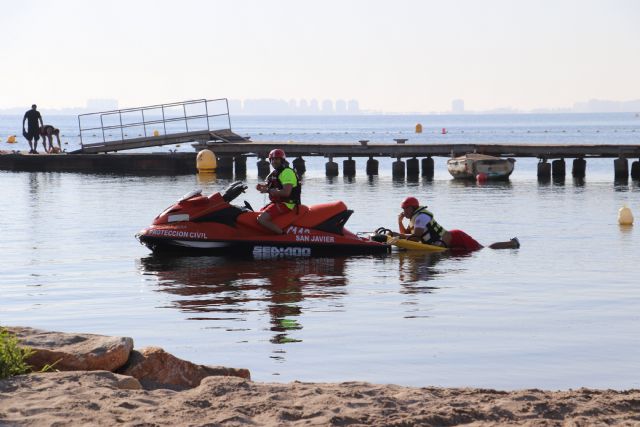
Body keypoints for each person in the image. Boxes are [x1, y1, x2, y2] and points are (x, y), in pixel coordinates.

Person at [394, 196, 519, 251]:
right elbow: (406, 235)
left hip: (457, 237)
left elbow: (415, 238)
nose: (404, 211)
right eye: (403, 209)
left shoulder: (421, 217)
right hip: (445, 241)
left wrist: (397, 236)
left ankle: (512, 243)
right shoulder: (414, 218)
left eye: (405, 209)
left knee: (485, 249)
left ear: (413, 208)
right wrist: (399, 222)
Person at [255, 149, 301, 234]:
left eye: (277, 159)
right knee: (258, 212)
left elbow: (286, 193)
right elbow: (270, 185)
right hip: (278, 202)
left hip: (287, 204)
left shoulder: (287, 172)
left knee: (261, 219)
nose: (274, 161)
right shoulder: (275, 173)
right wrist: (262, 187)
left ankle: (282, 235)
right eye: (272, 159)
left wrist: (268, 190)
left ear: (282, 160)